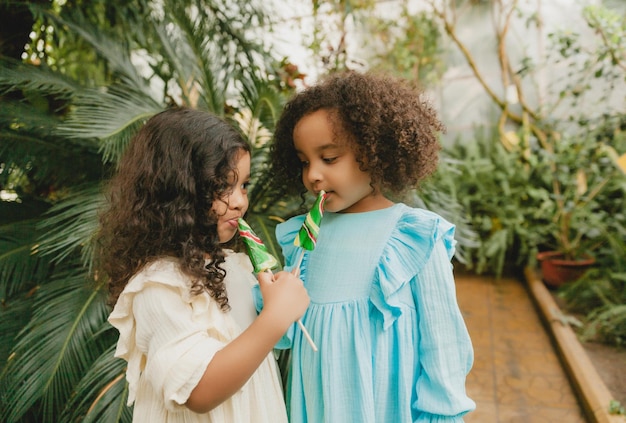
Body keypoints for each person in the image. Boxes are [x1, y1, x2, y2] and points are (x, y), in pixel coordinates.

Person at [270, 71, 476, 422]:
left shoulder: (412, 236)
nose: (313, 175)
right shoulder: (304, 238)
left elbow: (442, 347)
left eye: (329, 158)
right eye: (305, 162)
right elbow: (286, 327)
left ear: (374, 152)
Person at [97, 107, 309, 423]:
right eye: (223, 186)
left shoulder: (236, 266)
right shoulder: (158, 284)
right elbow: (198, 391)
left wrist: (272, 304)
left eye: (244, 186)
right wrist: (275, 318)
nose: (239, 201)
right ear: (177, 192)